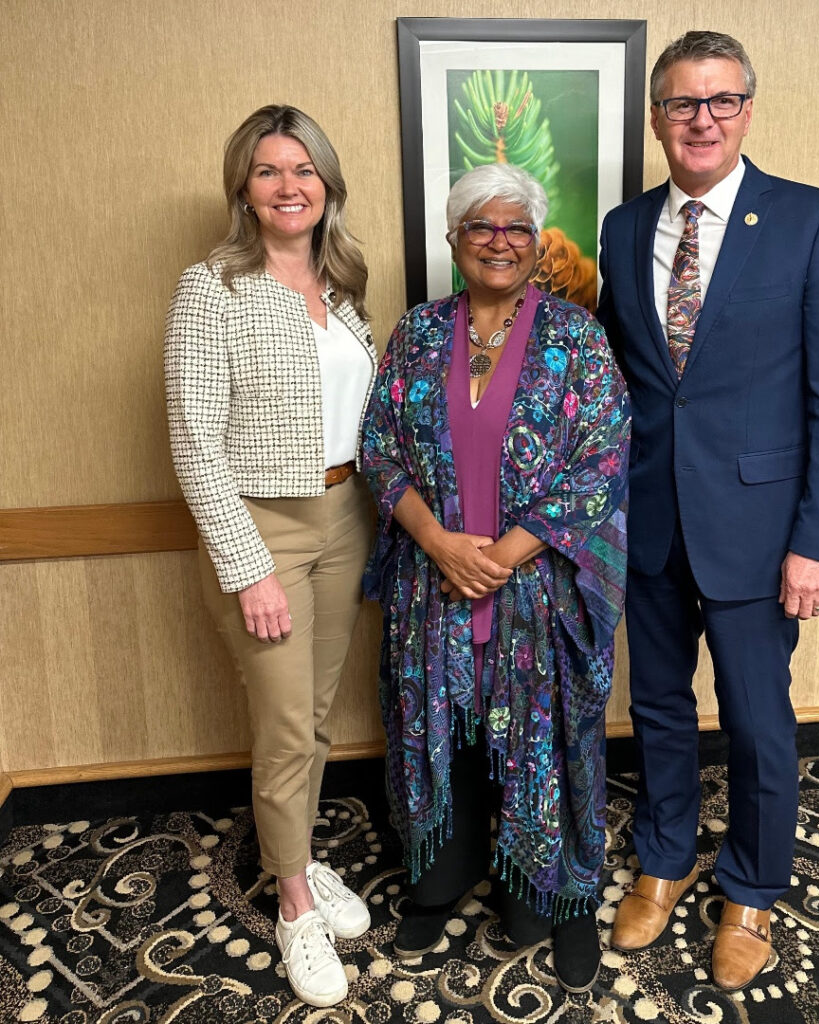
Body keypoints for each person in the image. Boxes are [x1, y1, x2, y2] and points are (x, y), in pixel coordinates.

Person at [597, 31, 819, 991]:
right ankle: (666, 859)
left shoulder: (812, 221)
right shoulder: (623, 228)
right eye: (681, 103)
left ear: (748, 110)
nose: (701, 119)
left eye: (719, 101)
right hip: (649, 521)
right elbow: (628, 379)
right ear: (657, 119)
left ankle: (752, 888)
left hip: (763, 537)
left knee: (758, 719)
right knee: (660, 708)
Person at [361, 163, 630, 993]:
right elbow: (379, 447)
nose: (500, 241)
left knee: (548, 738)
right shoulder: (416, 331)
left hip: (536, 590)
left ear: (536, 242)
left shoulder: (576, 337)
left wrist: (500, 556)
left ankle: (563, 894)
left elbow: (602, 459)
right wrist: (441, 544)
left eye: (516, 227)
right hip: (432, 583)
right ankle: (443, 874)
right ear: (455, 239)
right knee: (439, 726)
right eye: (482, 226)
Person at [164, 104, 377, 1008]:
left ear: (325, 183)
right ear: (243, 189)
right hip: (265, 527)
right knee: (287, 726)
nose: (289, 186)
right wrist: (246, 564)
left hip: (346, 514)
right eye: (268, 171)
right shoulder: (212, 285)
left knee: (319, 714)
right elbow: (193, 440)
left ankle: (301, 859)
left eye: (304, 169)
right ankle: (293, 904)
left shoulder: (343, 284)